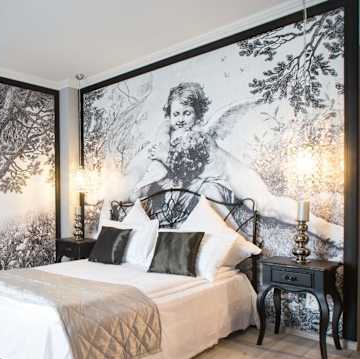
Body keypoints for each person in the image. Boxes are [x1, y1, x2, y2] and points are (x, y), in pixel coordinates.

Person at [125, 82, 342, 247]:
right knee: (202, 199)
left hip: (231, 175)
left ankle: (325, 229)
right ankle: (237, 240)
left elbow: (183, 166)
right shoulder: (168, 135)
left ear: (197, 115)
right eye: (176, 114)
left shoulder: (199, 137)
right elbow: (157, 162)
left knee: (267, 205)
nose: (181, 119)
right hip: (208, 182)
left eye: (187, 113)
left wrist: (162, 155)